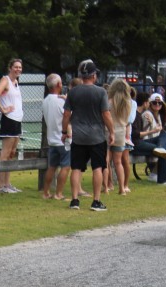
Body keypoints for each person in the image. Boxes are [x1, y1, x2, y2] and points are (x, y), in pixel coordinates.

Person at [61, 59, 113, 211]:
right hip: (97, 136)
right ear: (94, 75)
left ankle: (74, 200)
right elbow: (106, 114)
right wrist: (111, 131)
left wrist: (64, 131)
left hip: (78, 136)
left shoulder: (73, 92)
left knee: (76, 167)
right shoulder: (101, 92)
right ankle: (96, 201)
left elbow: (66, 114)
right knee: (97, 167)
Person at [0, 58, 24, 193]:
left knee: (11, 153)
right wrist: (3, 109)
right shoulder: (5, 80)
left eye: (20, 67)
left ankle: (7, 183)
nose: (18, 69)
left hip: (17, 120)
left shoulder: (16, 82)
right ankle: (0, 186)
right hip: (9, 120)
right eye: (16, 67)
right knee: (5, 153)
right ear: (10, 68)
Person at [132, 92, 166, 185]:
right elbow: (136, 134)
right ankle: (162, 179)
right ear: (146, 103)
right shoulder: (144, 114)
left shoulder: (158, 116)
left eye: (159, 103)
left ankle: (160, 149)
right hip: (138, 143)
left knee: (165, 136)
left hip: (147, 141)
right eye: (153, 102)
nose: (157, 104)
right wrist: (152, 130)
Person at [41, 73, 70, 200]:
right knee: (65, 167)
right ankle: (59, 193)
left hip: (51, 139)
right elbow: (68, 115)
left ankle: (46, 192)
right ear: (58, 84)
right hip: (63, 139)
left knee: (52, 167)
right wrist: (68, 100)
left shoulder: (45, 101)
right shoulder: (60, 101)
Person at [107, 78, 133, 195]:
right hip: (121, 133)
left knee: (106, 161)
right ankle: (122, 188)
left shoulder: (109, 102)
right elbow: (128, 121)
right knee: (118, 162)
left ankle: (107, 186)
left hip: (108, 132)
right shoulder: (128, 103)